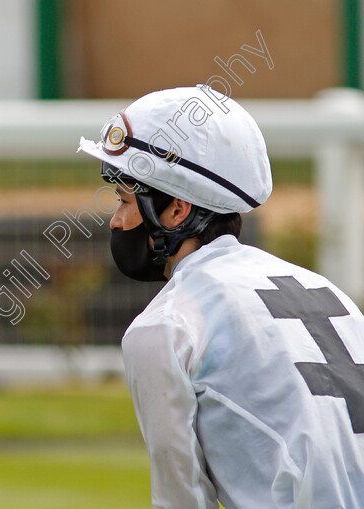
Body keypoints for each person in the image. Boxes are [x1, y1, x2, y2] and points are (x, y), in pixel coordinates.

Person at [78, 86, 364, 508]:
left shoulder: (165, 324)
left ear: (177, 209)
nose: (117, 221)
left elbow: (182, 499)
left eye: (124, 202)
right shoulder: (326, 290)